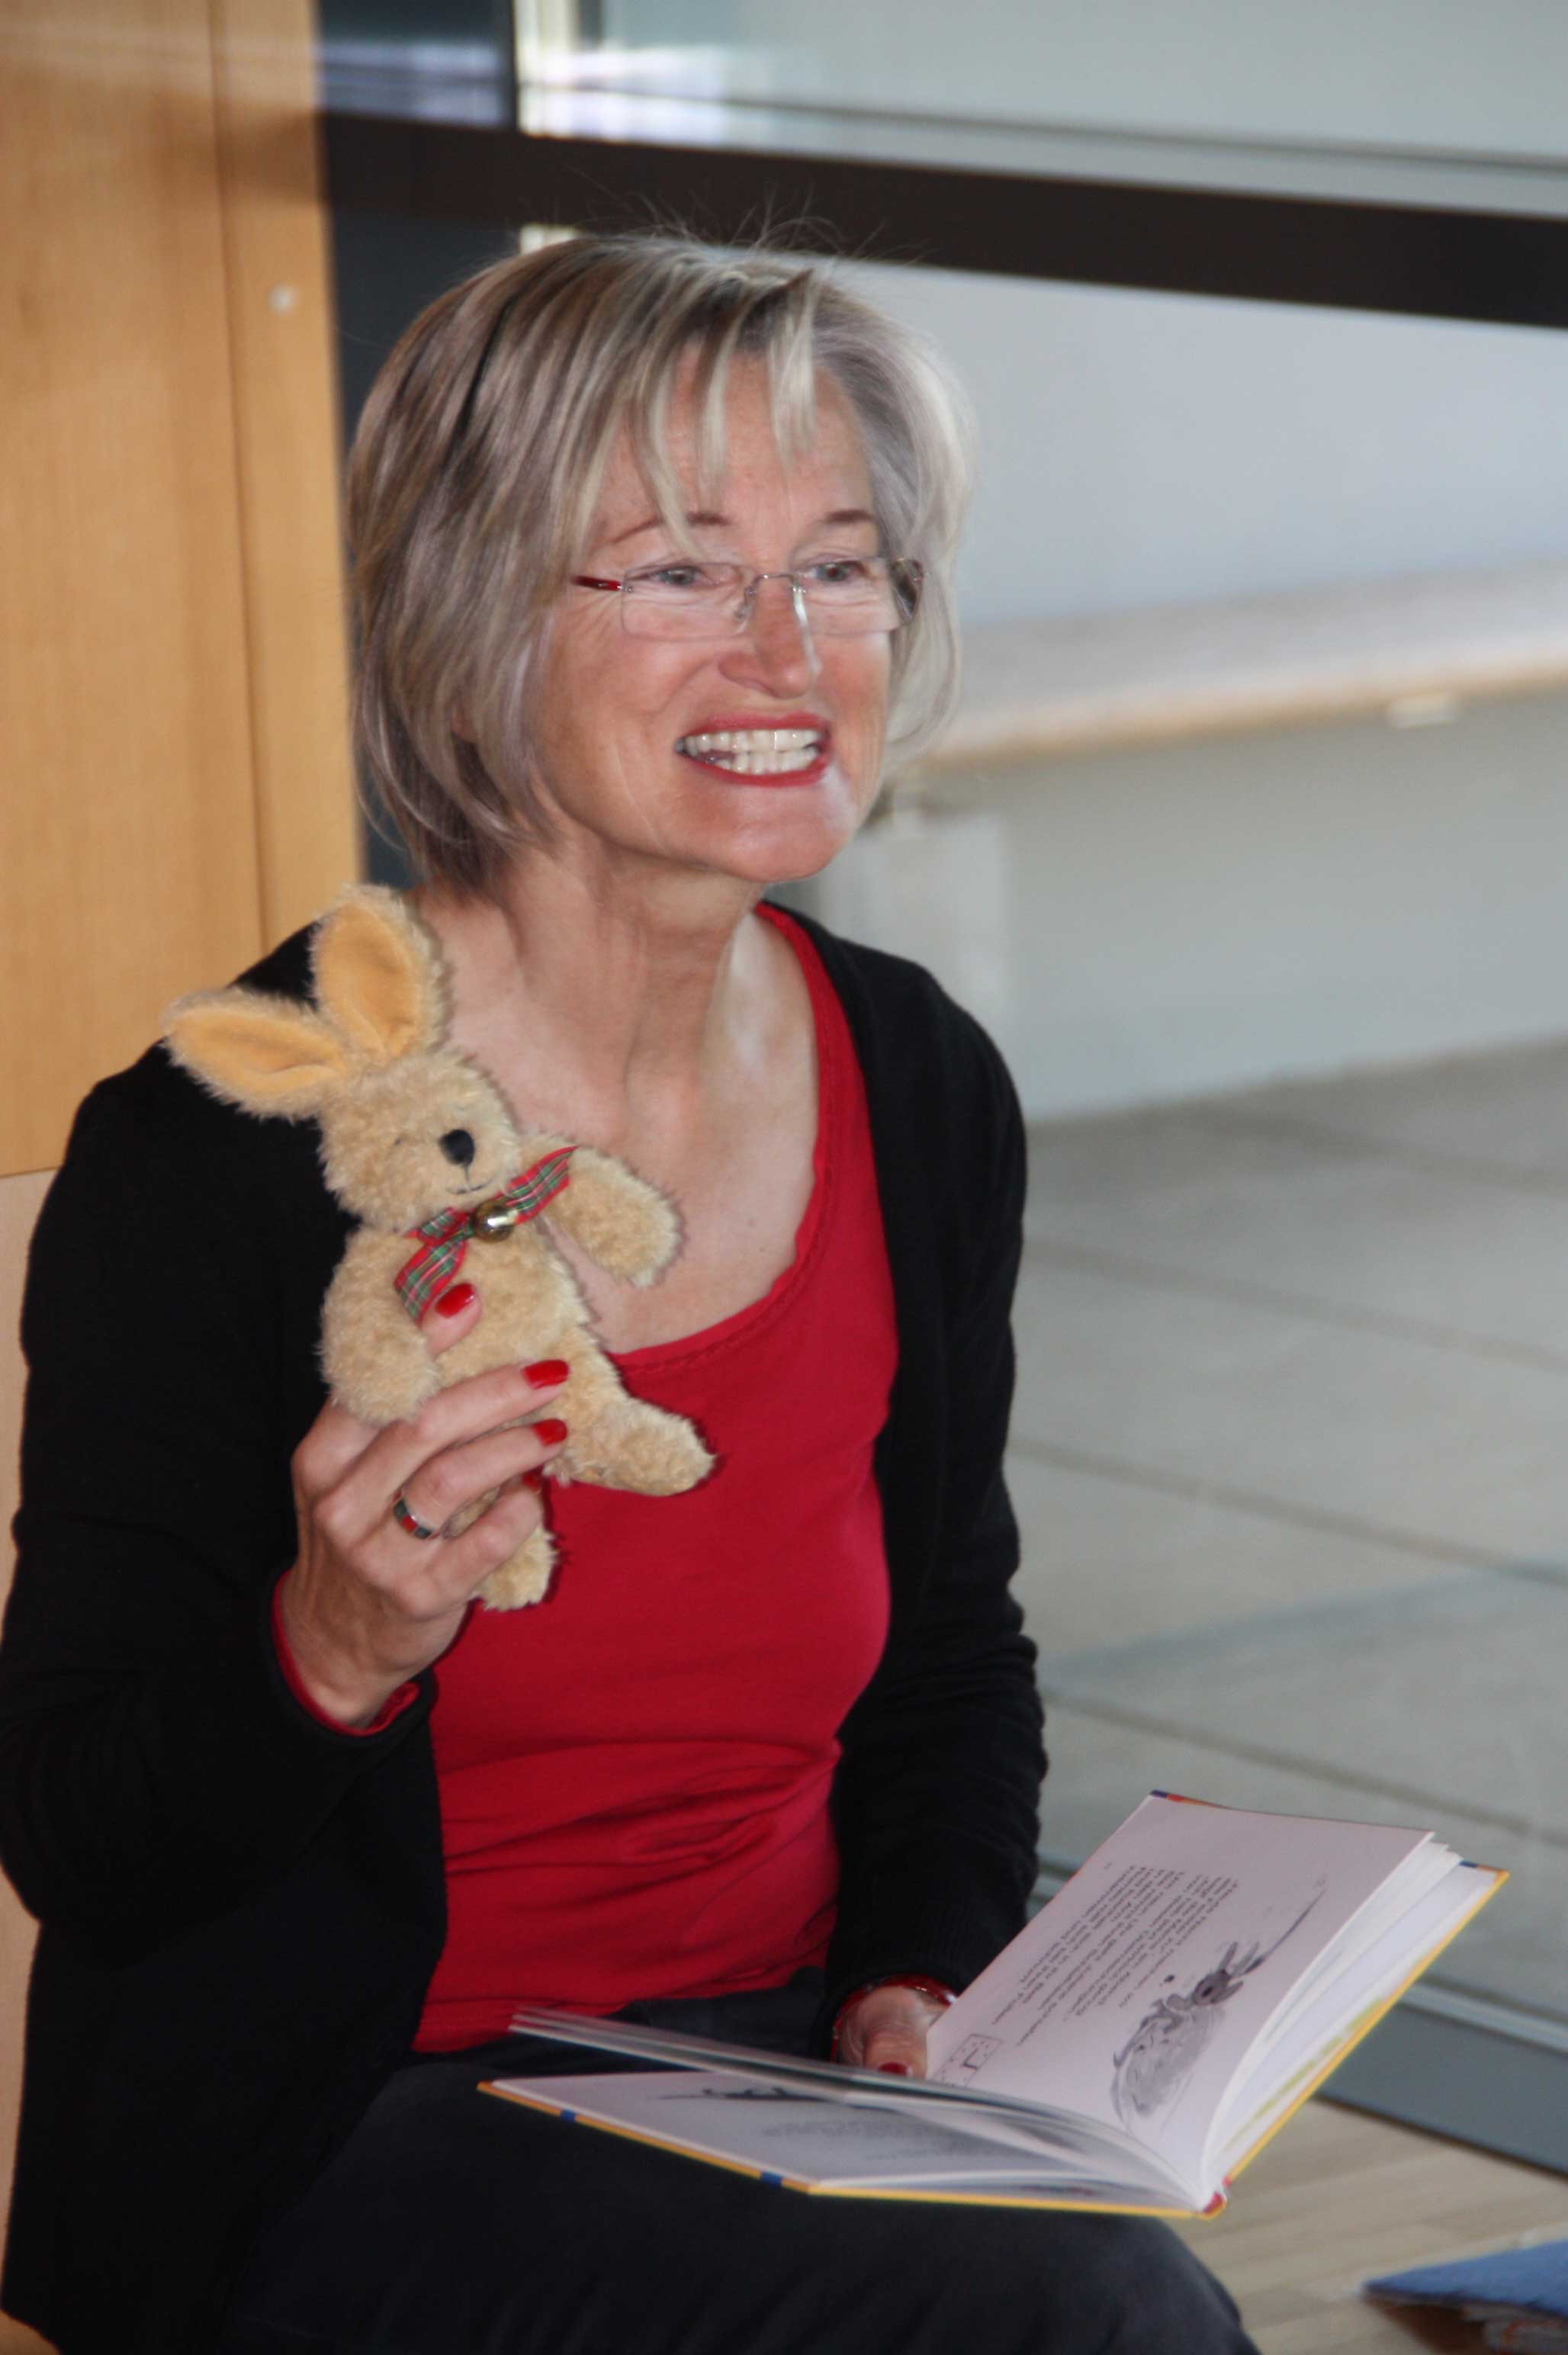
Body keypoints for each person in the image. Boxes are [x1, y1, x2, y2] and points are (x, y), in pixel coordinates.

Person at [0, 233, 1258, 2354]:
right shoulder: (226, 1148)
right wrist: (331, 1647)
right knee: (1093, 2322)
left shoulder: (915, 1078)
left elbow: (951, 1652)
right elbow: (85, 1845)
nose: (790, 650)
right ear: (476, 614)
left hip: (789, 2082)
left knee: (1076, 2297)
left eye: (840, 568)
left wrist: (916, 1975)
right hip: (355, 2124)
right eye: (681, 572)